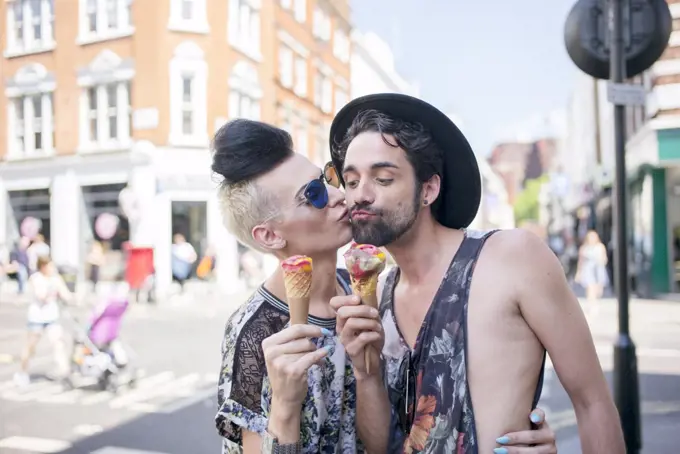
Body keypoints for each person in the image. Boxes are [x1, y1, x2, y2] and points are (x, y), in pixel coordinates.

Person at [211, 119, 557, 453]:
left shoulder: (370, 291)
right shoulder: (255, 331)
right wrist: (285, 407)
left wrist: (515, 430)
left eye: (328, 179)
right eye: (313, 194)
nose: (337, 195)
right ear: (270, 235)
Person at [327, 94, 625, 454]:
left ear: (429, 189)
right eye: (352, 181)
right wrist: (366, 372)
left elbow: (593, 403)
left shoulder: (512, 258)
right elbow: (379, 447)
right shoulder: (379, 294)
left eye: (384, 178)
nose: (361, 195)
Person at [14, 256, 73, 386]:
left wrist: (72, 298)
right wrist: (52, 288)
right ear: (43, 267)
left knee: (58, 343)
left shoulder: (56, 278)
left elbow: (65, 294)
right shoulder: (36, 279)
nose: (52, 269)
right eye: (50, 266)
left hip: (52, 318)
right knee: (30, 347)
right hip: (37, 318)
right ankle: (22, 373)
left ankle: (64, 370)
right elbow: (41, 296)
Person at [575, 230, 609, 316]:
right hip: (588, 269)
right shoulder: (584, 248)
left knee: (598, 289)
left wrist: (601, 262)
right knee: (590, 287)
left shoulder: (600, 247)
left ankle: (595, 302)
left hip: (598, 268)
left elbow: (604, 258)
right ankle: (592, 304)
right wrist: (579, 272)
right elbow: (581, 261)